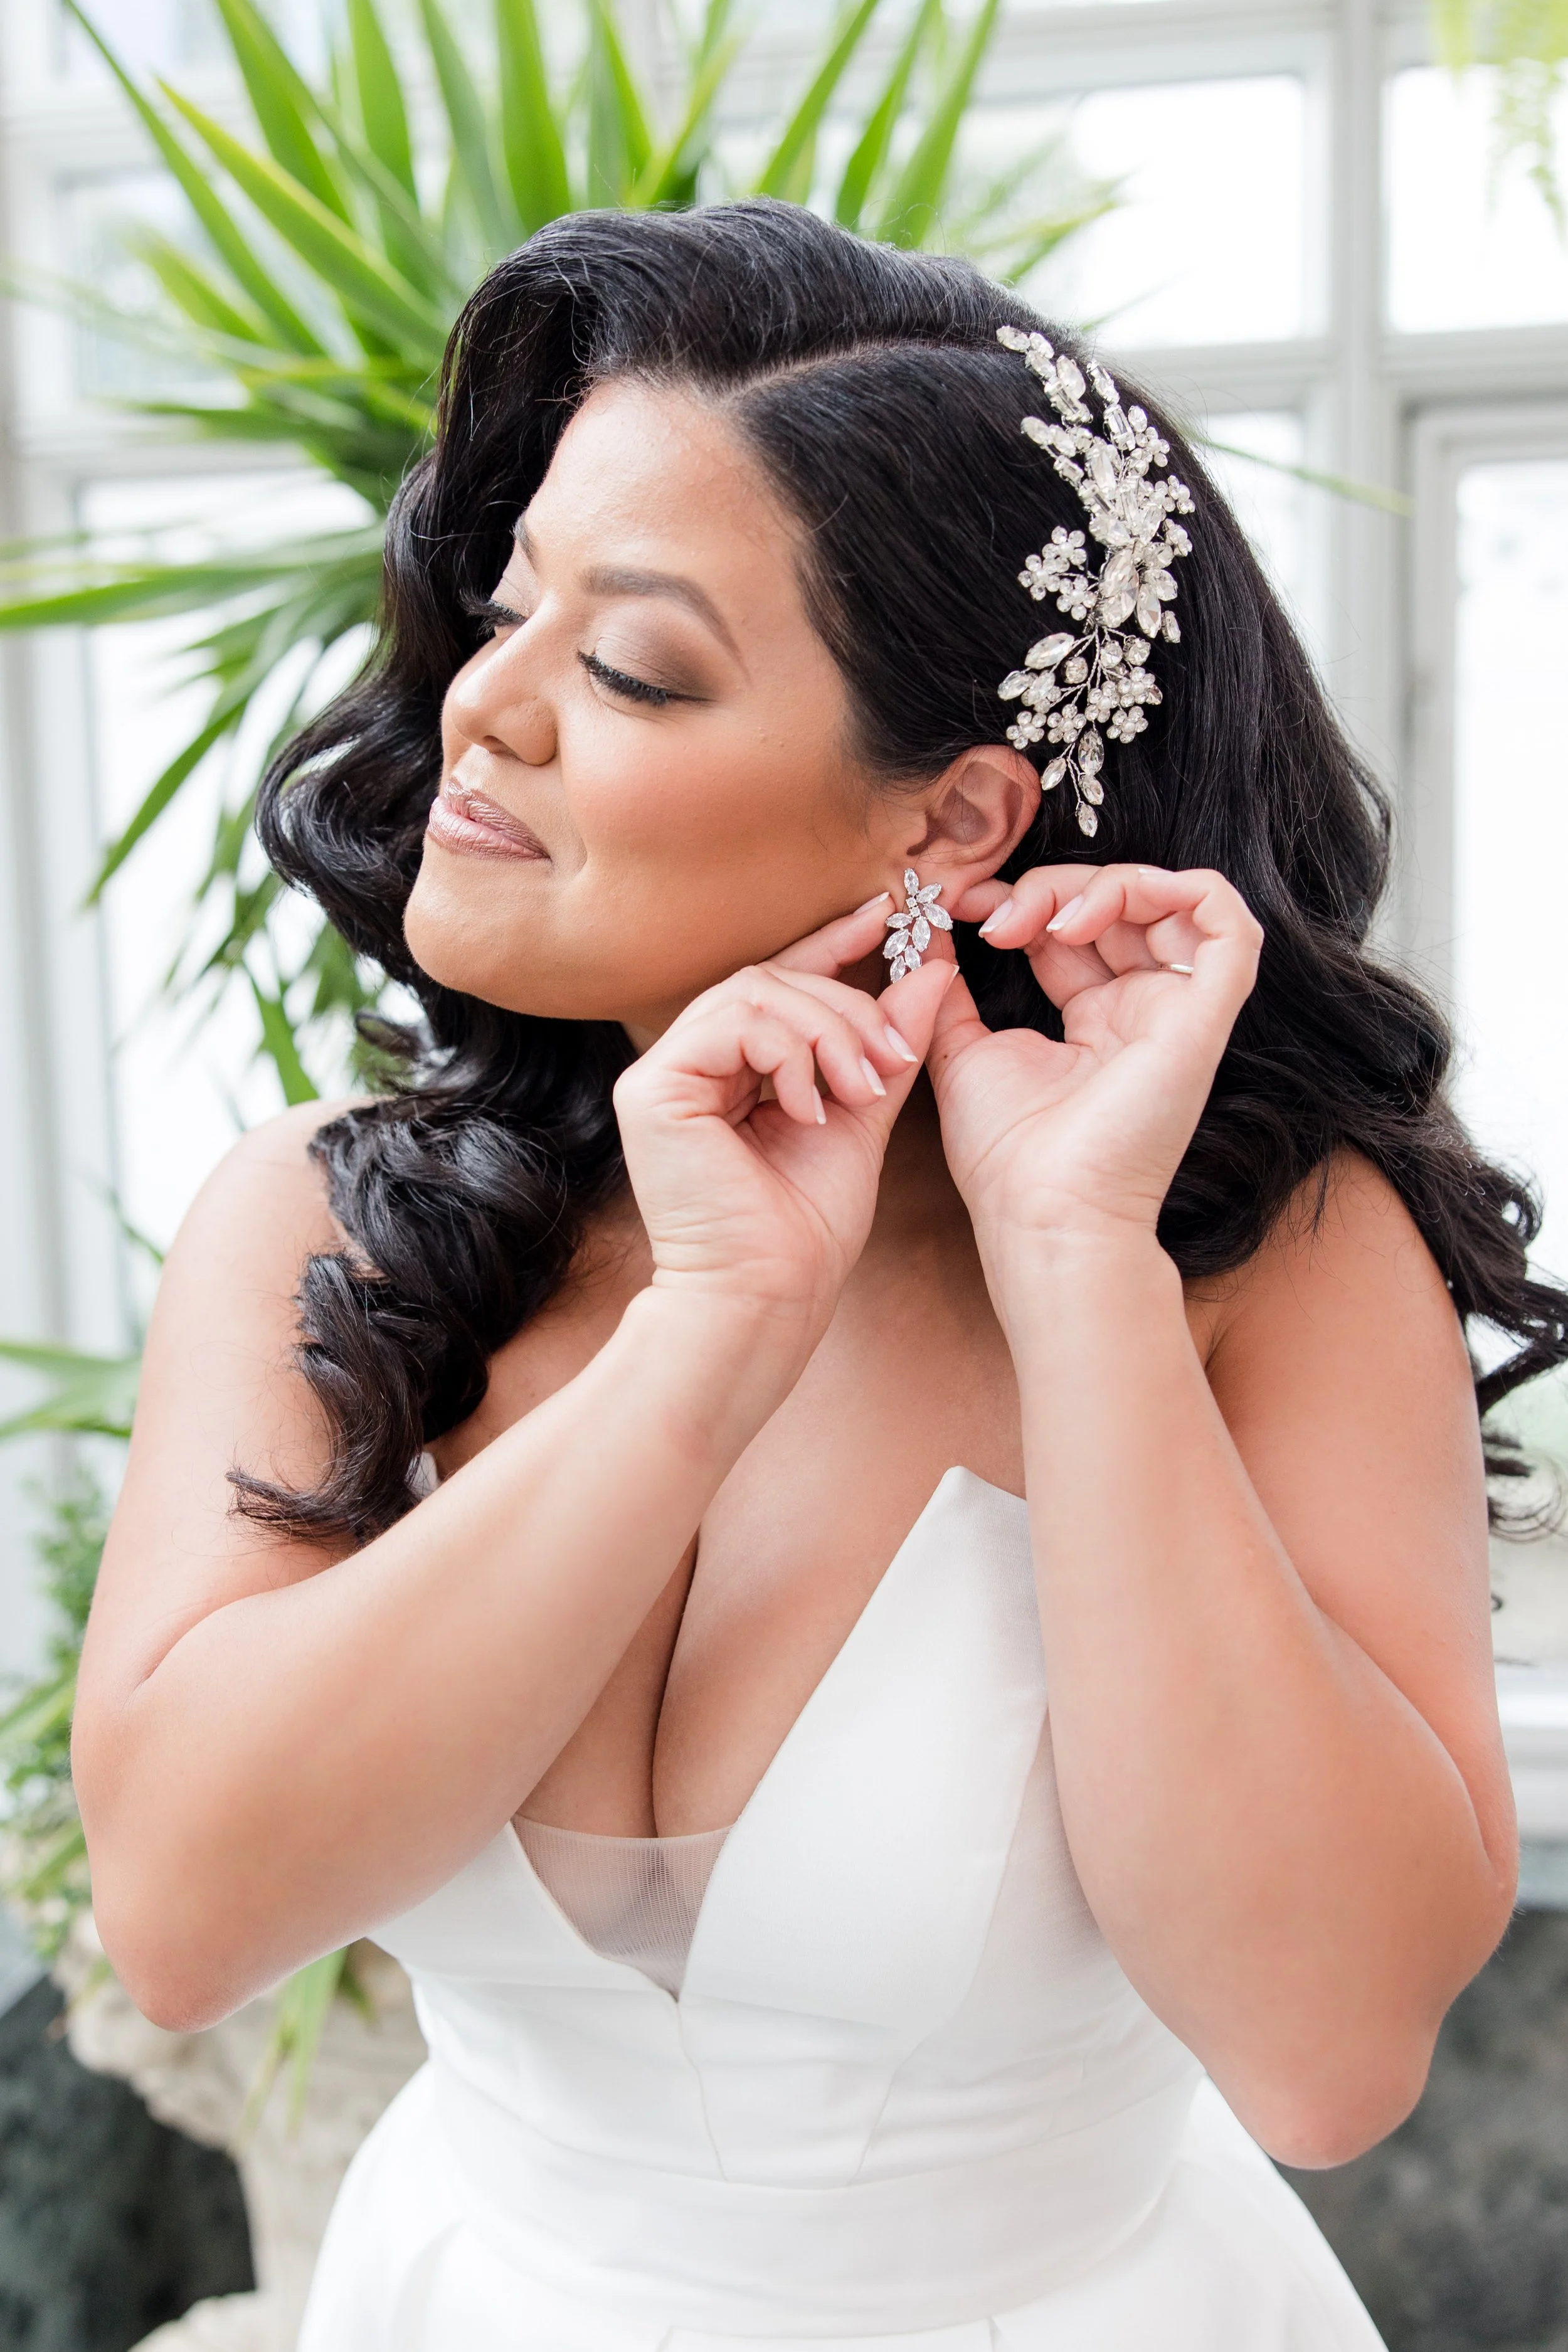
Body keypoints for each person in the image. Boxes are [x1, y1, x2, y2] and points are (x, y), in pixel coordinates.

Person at [73, 201, 1564, 2350]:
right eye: (507, 610)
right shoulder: (320, 1215)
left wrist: (1078, 1274)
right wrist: (702, 1336)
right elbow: (190, 1919)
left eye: (631, 664)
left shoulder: (1263, 1253)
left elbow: (1327, 2057)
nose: (481, 707)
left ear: (952, 821)